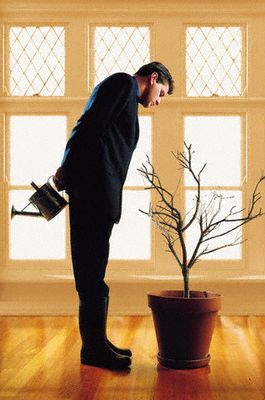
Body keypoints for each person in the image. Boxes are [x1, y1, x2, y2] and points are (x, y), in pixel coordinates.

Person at [53, 61, 174, 370]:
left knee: (94, 274)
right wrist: (67, 168)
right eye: (161, 93)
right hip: (92, 195)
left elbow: (98, 134)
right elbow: (87, 126)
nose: (158, 101)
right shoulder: (122, 84)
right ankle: (93, 350)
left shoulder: (125, 93)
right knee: (91, 276)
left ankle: (96, 343)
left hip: (96, 196)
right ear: (153, 78)